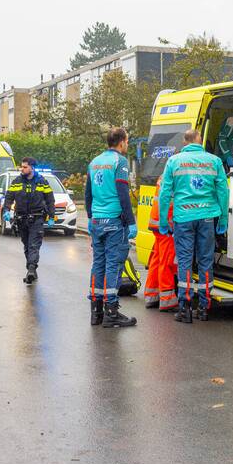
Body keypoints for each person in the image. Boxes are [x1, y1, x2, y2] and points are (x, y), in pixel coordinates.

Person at [158, 128, 229, 323]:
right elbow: (223, 191)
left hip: (183, 218)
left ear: (185, 142)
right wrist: (223, 219)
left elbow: (165, 194)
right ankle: (204, 308)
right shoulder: (214, 161)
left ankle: (185, 308)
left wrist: (164, 221)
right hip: (207, 217)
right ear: (199, 140)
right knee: (206, 261)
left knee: (185, 261)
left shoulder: (174, 161)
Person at [85, 128, 138, 329]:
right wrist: (131, 221)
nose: (127, 145)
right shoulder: (120, 162)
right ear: (122, 142)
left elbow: (88, 193)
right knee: (113, 264)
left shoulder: (95, 162)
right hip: (115, 221)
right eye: (127, 141)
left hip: (98, 221)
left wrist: (90, 217)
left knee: (98, 263)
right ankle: (112, 312)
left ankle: (96, 311)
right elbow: (123, 193)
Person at [3, 157, 55, 284]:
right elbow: (9, 197)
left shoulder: (42, 182)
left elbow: (50, 200)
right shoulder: (17, 181)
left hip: (36, 218)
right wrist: (6, 210)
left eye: (25, 167)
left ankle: (31, 269)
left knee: (33, 245)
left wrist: (51, 216)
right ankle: (32, 270)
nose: (22, 169)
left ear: (32, 167)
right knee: (26, 245)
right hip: (21, 219)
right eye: (22, 167)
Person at [144, 175, 178, 312]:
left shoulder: (164, 176)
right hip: (166, 224)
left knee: (157, 260)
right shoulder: (175, 177)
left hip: (156, 222)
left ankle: (151, 296)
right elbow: (172, 203)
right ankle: (167, 300)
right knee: (166, 261)